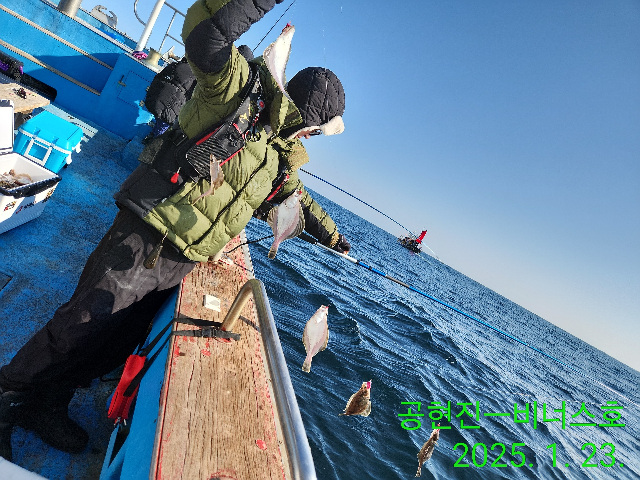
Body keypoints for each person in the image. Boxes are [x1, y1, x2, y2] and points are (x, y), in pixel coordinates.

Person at [0, 0, 350, 462]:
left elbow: (295, 201)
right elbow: (207, 36)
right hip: (147, 232)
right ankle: (8, 399)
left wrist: (335, 239)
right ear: (310, 121)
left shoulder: (277, 154)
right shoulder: (236, 94)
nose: (312, 136)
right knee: (81, 324)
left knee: (114, 342)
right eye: (317, 129)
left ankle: (47, 402)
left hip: (183, 258)